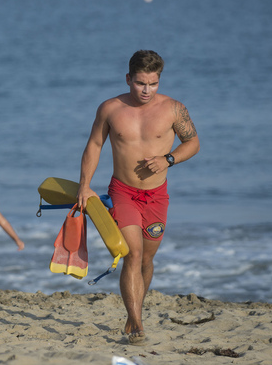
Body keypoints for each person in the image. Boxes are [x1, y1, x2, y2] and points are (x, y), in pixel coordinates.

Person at [76, 50, 200, 344]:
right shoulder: (110, 109)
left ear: (159, 81)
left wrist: (168, 159)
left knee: (146, 258)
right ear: (128, 78)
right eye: (140, 83)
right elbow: (94, 145)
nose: (146, 90)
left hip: (157, 196)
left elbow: (192, 142)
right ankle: (137, 324)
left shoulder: (173, 109)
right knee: (131, 254)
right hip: (123, 191)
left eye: (153, 84)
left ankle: (133, 316)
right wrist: (85, 185)